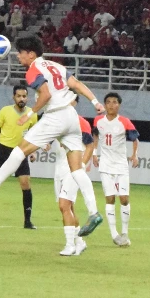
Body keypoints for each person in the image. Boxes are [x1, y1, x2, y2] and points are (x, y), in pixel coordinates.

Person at [0, 36, 106, 245]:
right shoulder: (56, 65)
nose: (19, 56)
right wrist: (95, 102)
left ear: (31, 54)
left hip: (55, 116)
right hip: (71, 117)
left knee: (18, 152)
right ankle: (94, 212)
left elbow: (46, 95)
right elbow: (77, 84)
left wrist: (31, 114)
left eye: (20, 52)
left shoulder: (32, 70)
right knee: (77, 169)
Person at [0, 86, 38, 229]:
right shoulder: (5, 111)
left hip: (21, 151)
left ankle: (27, 221)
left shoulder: (32, 114)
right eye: (18, 96)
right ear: (13, 97)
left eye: (24, 96)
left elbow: (34, 134)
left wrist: (33, 151)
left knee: (25, 183)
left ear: (27, 97)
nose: (21, 99)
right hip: (2, 150)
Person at [92, 93, 139, 247]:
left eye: (114, 102)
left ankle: (125, 232)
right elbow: (95, 137)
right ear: (104, 105)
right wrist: (94, 154)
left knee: (124, 199)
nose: (111, 105)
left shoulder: (124, 122)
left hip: (121, 165)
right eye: (108, 102)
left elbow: (135, 139)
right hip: (105, 165)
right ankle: (114, 234)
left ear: (119, 105)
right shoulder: (98, 120)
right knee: (110, 198)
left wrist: (134, 155)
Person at [53, 96, 94, 255]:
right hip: (59, 168)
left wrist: (81, 165)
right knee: (68, 207)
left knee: (64, 205)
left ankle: (70, 245)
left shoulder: (80, 122)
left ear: (74, 102)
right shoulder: (56, 120)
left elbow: (90, 146)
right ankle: (79, 241)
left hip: (73, 168)